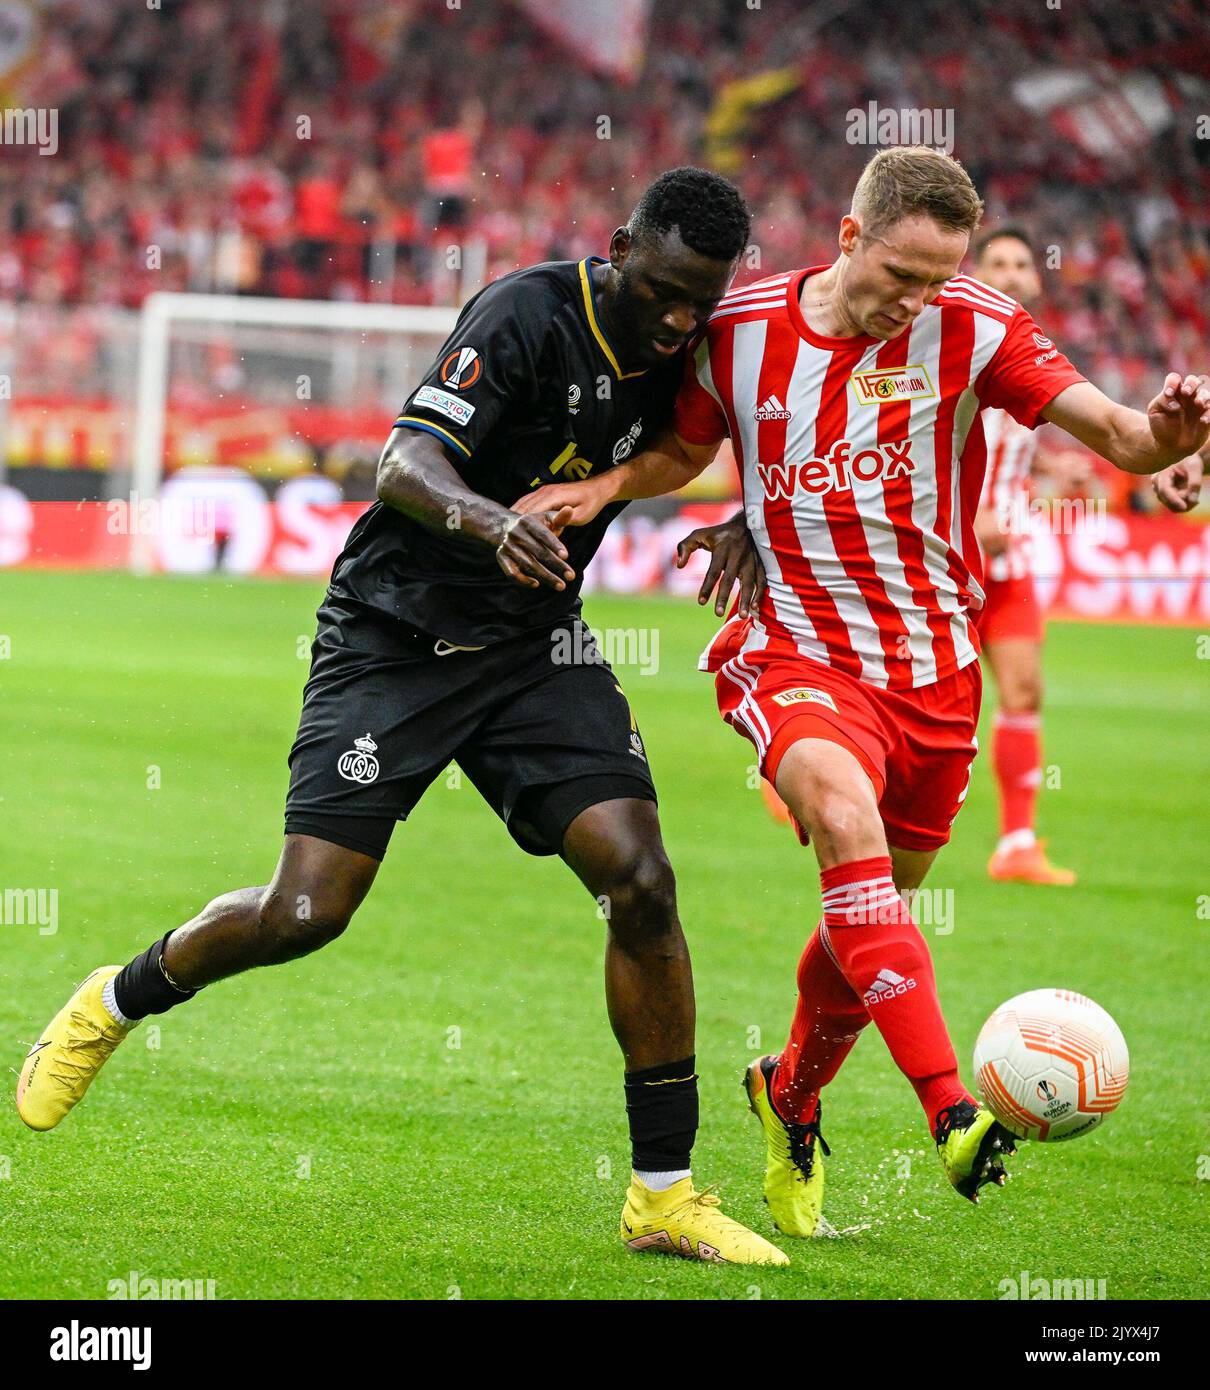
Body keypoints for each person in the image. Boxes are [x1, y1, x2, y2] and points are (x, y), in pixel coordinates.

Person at [17, 168, 788, 1267]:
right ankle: (113, 999)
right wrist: (484, 519)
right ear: (618, 246)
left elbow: (715, 440)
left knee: (642, 878)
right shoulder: (525, 314)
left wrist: (748, 520)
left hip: (533, 650)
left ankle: (663, 1195)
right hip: (393, 636)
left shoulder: (691, 343)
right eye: (661, 290)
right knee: (304, 912)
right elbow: (400, 463)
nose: (676, 321)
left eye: (696, 304)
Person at [513, 146, 1210, 1238]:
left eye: (938, 279)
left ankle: (789, 1094)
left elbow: (1121, 434)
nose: (916, 302)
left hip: (935, 672)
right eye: (899, 275)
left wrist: (1166, 436)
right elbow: (679, 450)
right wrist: (603, 484)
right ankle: (949, 1112)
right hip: (792, 649)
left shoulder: (974, 326)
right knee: (845, 829)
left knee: (864, 918)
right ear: (847, 237)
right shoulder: (739, 332)